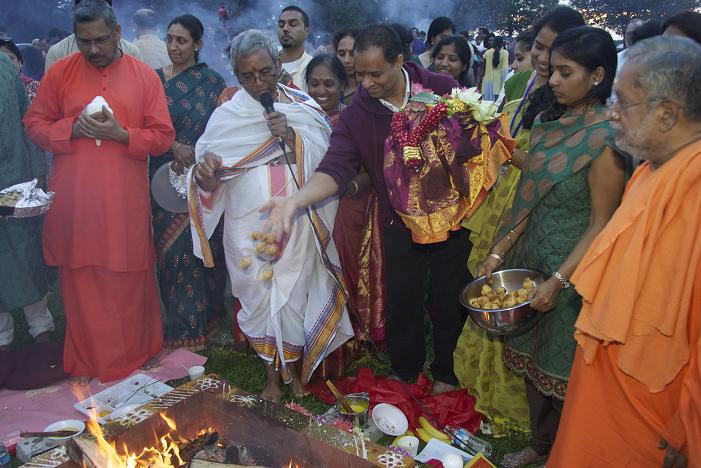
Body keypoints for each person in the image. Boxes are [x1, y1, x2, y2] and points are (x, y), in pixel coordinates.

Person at [262, 24, 472, 395]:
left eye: (376, 73)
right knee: (402, 296)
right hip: (398, 219)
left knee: (448, 295)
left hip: (452, 217)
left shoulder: (441, 88)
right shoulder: (359, 112)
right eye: (360, 75)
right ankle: (406, 372)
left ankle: (446, 372)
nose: (367, 83)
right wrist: (294, 201)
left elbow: (476, 138)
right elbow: (335, 168)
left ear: (399, 62)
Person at [549, 35, 701, 468]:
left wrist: (687, 427)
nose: (611, 113)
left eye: (623, 102)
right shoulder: (652, 168)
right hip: (606, 385)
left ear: (667, 114)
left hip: (655, 412)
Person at [479, 26, 626, 467]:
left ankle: (568, 452)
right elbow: (529, 196)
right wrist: (498, 253)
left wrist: (560, 281)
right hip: (532, 262)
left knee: (565, 371)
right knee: (530, 359)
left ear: (598, 75)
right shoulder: (548, 127)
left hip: (576, 272)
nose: (553, 80)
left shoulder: (607, 140)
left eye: (565, 72)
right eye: (552, 70)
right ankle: (542, 445)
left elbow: (603, 223)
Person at [188, 30, 353, 402]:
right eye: (247, 76)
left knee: (293, 293)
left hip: (294, 220)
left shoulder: (302, 107)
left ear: (279, 66)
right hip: (247, 226)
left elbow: (327, 158)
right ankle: (271, 378)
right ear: (235, 74)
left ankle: (292, 372)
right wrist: (205, 173)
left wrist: (293, 138)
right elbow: (205, 174)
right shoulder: (226, 118)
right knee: (257, 296)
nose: (258, 82)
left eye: (265, 71)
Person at [23, 0, 175, 383]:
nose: (93, 49)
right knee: (81, 278)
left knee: (125, 277)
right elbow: (34, 124)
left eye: (101, 40)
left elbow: (163, 137)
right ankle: (89, 360)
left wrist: (122, 135)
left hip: (123, 201)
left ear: (118, 33)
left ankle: (132, 357)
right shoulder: (59, 74)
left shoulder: (145, 77)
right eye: (85, 41)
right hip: (74, 201)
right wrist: (70, 129)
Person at [454, 9, 583, 440]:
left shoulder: (574, 105)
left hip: (541, 211)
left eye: (555, 50)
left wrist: (502, 144)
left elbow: (548, 169)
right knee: (492, 293)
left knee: (524, 304)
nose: (544, 58)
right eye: (540, 47)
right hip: (503, 203)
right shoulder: (521, 85)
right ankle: (481, 388)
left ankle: (532, 417)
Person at [152, 15, 227, 352]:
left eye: (181, 40)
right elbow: (143, 125)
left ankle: (201, 326)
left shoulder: (211, 82)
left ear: (197, 44)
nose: (173, 47)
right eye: (169, 39)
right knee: (170, 257)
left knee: (199, 253)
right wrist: (171, 146)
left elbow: (219, 132)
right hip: (159, 181)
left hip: (199, 180)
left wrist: (197, 155)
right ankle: (181, 326)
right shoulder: (153, 82)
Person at [0, 53, 54, 352]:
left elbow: (28, 120)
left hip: (16, 181)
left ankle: (40, 327)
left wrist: (37, 171)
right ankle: (2, 338)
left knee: (27, 254)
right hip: (14, 178)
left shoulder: (4, 65)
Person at [45, 0, 142, 71]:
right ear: (74, 11)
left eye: (99, 7)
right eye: (86, 7)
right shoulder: (57, 52)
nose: (93, 50)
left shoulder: (131, 51)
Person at [278, 5, 312, 90]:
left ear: (306, 31)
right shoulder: (266, 61)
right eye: (281, 25)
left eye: (293, 24)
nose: (285, 28)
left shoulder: (312, 67)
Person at [481, 36, 509, 101]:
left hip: (488, 81)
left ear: (494, 42)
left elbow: (484, 68)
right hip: (499, 82)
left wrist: (482, 78)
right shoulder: (505, 53)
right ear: (502, 43)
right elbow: (505, 69)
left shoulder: (487, 53)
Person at [333, 29, 358, 103]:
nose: (346, 60)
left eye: (352, 54)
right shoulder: (330, 89)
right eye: (342, 54)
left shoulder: (370, 92)